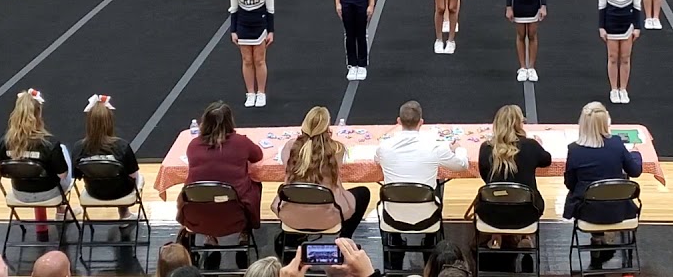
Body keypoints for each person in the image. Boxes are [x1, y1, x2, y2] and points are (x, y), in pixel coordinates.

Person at [374, 100, 469, 269]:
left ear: (398, 121)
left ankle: (394, 257)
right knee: (436, 192)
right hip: (427, 218)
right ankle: (430, 249)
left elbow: (376, 160)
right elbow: (462, 165)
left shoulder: (384, 147)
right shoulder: (434, 146)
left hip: (392, 217)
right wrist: (458, 148)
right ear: (421, 122)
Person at [563, 102, 643, 270]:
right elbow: (635, 171)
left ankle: (598, 239)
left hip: (588, 212)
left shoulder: (574, 150)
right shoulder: (616, 144)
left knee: (588, 195)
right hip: (618, 209)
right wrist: (636, 154)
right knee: (602, 194)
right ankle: (602, 239)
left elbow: (570, 184)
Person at [179, 101, 263, 259]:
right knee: (255, 184)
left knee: (204, 192)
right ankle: (245, 232)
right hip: (235, 215)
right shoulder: (240, 142)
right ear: (230, 121)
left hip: (199, 215)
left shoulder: (193, 145)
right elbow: (258, 155)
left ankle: (210, 236)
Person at [274, 106, 371, 240]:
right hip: (326, 216)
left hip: (293, 215)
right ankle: (345, 238)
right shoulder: (336, 149)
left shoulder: (291, 146)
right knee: (363, 192)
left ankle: (293, 239)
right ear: (327, 127)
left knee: (298, 194)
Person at [0, 89, 72, 225]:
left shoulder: (4, 142)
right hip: (48, 193)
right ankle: (61, 211)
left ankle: (60, 210)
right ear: (38, 114)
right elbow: (62, 175)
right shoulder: (49, 143)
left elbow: (4, 168)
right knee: (63, 150)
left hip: (19, 192)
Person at [478, 105, 552, 233]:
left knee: (499, 196)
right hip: (527, 213)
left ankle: (497, 237)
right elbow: (547, 161)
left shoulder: (486, 148)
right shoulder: (530, 145)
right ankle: (524, 237)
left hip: (492, 213)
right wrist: (538, 146)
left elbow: (486, 178)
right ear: (519, 124)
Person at [72, 95, 143, 221]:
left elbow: (76, 175)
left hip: (94, 191)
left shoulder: (79, 147)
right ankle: (124, 214)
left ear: (89, 123)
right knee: (130, 176)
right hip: (121, 192)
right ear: (110, 122)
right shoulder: (121, 146)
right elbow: (133, 175)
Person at [229, 0, 275, 108]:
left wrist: (271, 31)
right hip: (243, 27)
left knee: (259, 60)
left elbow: (270, 10)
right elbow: (234, 10)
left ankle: (261, 92)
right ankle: (250, 93)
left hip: (259, 26)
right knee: (247, 60)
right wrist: (233, 30)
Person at [598, 0, 642, 104]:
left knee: (625, 58)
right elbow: (602, 7)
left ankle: (623, 88)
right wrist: (601, 27)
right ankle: (613, 89)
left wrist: (637, 27)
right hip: (611, 25)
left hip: (627, 25)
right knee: (612, 57)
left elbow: (637, 7)